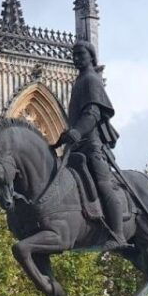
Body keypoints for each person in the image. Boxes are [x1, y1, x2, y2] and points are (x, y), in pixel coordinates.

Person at [56, 40, 126, 250]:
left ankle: (118, 234)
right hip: (77, 146)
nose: (76, 58)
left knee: (103, 184)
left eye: (80, 54)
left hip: (92, 145)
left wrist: (77, 131)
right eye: (74, 55)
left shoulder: (90, 79)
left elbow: (93, 113)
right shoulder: (79, 81)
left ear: (91, 56)